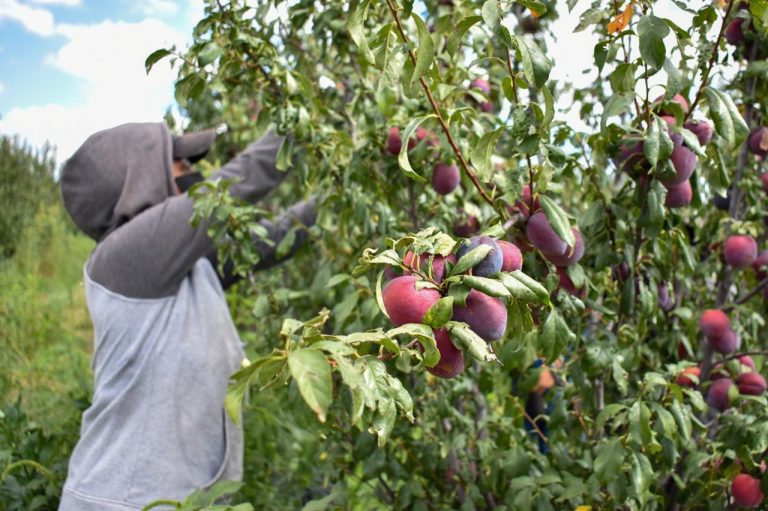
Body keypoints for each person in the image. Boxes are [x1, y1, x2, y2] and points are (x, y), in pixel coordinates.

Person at [57, 122, 316, 510]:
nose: (192, 169)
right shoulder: (130, 256)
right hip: (121, 500)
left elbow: (275, 239)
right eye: (178, 161)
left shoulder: (186, 264)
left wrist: (341, 190)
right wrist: (301, 118)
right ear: (142, 180)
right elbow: (237, 182)